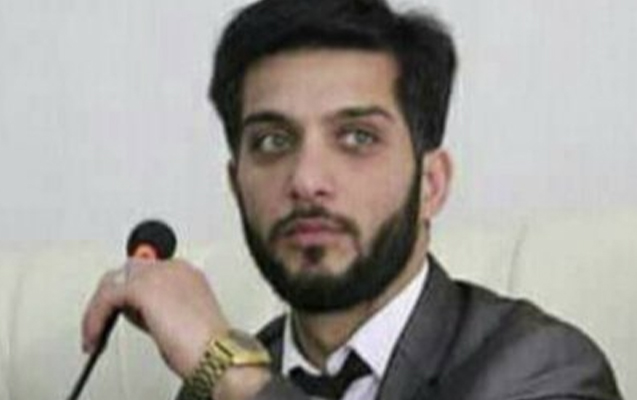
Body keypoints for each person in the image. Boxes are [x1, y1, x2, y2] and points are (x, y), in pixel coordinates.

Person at [82, 0, 622, 399]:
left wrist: (231, 373)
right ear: (235, 186)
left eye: (358, 137)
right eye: (272, 142)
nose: (306, 179)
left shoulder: (543, 366)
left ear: (431, 185)